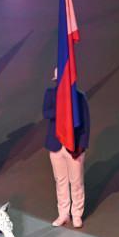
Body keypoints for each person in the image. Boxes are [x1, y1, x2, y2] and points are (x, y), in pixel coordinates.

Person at [43, 69, 90, 228]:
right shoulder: (50, 94)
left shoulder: (79, 97)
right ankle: (63, 214)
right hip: (56, 145)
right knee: (60, 181)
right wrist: (62, 109)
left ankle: (77, 214)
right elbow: (46, 113)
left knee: (76, 182)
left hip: (74, 147)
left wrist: (81, 146)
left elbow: (86, 124)